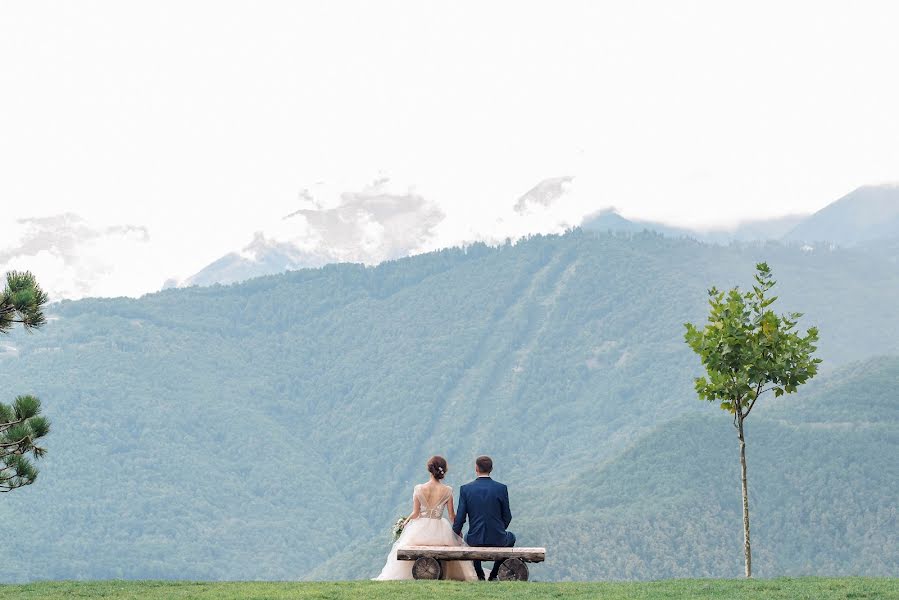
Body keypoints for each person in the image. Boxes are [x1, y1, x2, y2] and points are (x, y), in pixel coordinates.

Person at [373, 456, 477, 581]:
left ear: (429, 469)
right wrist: (457, 533)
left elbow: (416, 513)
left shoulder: (419, 488)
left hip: (420, 531)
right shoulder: (448, 490)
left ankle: (415, 574)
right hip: (440, 532)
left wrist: (405, 522)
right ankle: (443, 574)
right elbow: (451, 515)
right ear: (443, 471)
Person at [452, 455, 516, 581]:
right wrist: (499, 529)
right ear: (491, 469)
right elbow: (507, 516)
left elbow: (460, 518)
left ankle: (479, 573)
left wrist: (454, 534)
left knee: (466, 538)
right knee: (512, 537)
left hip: (474, 539)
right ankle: (493, 574)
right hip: (499, 539)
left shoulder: (466, 489)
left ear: (476, 468)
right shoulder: (501, 488)